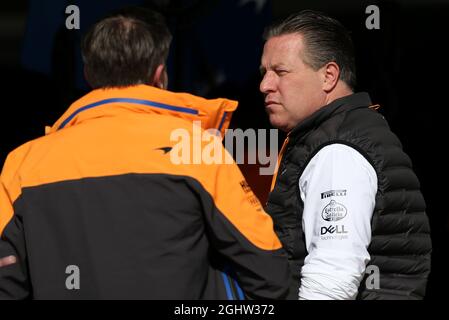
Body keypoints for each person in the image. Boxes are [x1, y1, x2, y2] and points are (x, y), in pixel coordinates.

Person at [0, 7, 290, 299]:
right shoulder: (196, 149)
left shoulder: (21, 164)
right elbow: (268, 271)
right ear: (159, 75)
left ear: (88, 75)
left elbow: (6, 281)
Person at [259, 10, 431, 300]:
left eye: (281, 72)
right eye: (264, 73)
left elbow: (332, 281)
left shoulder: (337, 152)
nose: (265, 86)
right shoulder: (339, 136)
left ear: (328, 76)